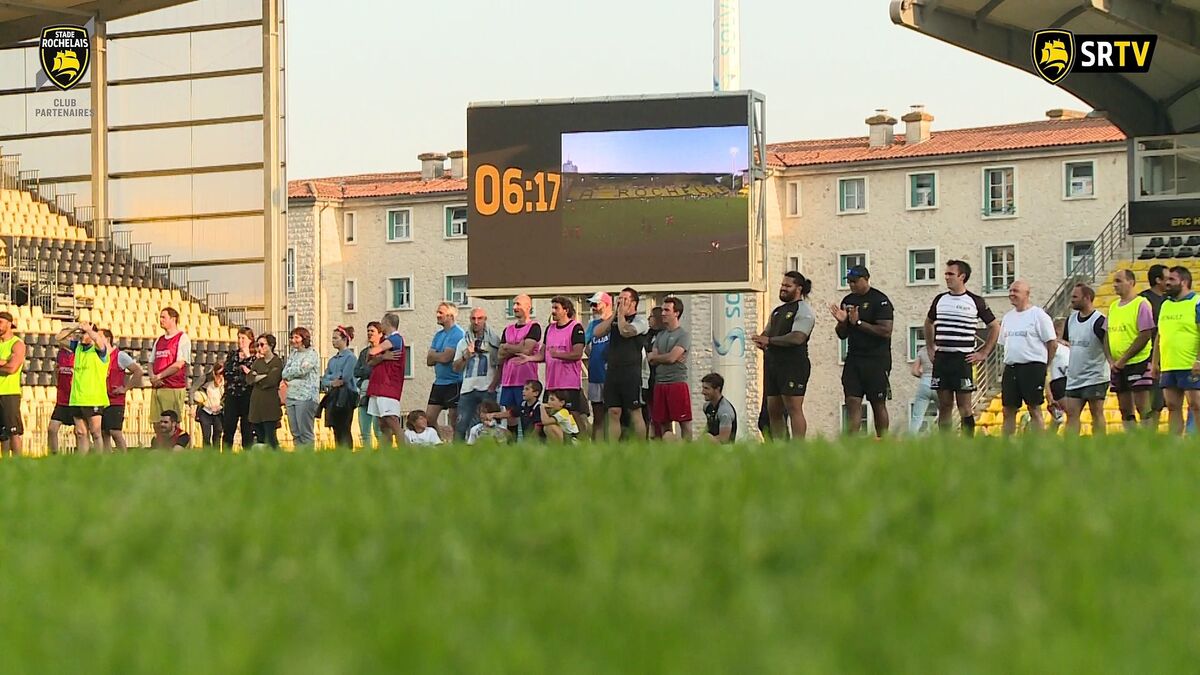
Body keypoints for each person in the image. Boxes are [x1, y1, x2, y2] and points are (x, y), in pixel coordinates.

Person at [924, 260, 999, 436]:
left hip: (962, 359)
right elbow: (928, 322)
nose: (946, 277)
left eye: (951, 274)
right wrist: (930, 347)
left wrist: (984, 352)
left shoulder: (975, 301)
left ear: (962, 277)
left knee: (964, 406)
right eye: (946, 273)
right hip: (942, 358)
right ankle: (945, 444)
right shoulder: (940, 299)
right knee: (944, 405)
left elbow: (995, 326)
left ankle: (967, 444)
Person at [830, 265, 894, 436]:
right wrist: (843, 322)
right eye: (849, 282)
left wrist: (858, 323)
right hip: (854, 358)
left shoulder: (880, 300)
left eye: (855, 281)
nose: (852, 285)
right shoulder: (848, 300)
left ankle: (882, 440)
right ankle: (852, 440)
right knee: (852, 400)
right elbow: (842, 334)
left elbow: (885, 330)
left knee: (877, 402)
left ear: (866, 279)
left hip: (876, 359)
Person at [753, 272, 816, 440]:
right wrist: (761, 340)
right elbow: (767, 333)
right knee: (773, 409)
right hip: (773, 365)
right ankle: (780, 447)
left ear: (798, 289)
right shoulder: (777, 312)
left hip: (793, 365)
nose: (783, 289)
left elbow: (798, 337)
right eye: (782, 285)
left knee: (794, 407)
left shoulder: (803, 310)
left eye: (788, 286)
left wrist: (770, 340)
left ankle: (798, 448)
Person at [521, 296, 589, 438]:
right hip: (552, 383)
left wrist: (558, 354)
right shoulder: (550, 329)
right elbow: (543, 354)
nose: (553, 311)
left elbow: (577, 354)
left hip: (569, 384)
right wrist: (529, 358)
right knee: (548, 418)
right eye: (552, 308)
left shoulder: (575, 328)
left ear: (566, 310)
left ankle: (584, 442)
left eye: (556, 308)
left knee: (575, 415)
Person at [997, 280, 1056, 435]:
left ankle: (1040, 446)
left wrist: (1044, 365)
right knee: (1008, 409)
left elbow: (1052, 343)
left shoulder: (1039, 316)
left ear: (1027, 294)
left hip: (1032, 367)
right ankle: (1007, 445)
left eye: (1015, 291)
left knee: (1034, 408)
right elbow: (1004, 344)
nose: (1011, 294)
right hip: (1011, 368)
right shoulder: (1008, 318)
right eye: (1010, 290)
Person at [593, 287, 650, 441]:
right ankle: (613, 447)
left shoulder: (641, 321)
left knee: (634, 411)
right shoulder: (615, 320)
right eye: (619, 299)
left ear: (633, 303)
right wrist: (614, 316)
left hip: (631, 372)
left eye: (624, 299)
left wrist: (621, 316)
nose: (620, 302)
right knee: (613, 411)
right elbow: (597, 332)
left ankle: (640, 446)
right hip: (613, 371)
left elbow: (626, 331)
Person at [1151, 266, 1200, 436]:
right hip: (1169, 364)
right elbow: (1159, 335)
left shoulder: (1197, 302)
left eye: (1172, 280)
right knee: (1172, 406)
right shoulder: (1165, 305)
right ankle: (1176, 445)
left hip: (1190, 364)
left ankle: (1195, 445)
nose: (1167, 283)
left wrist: (1199, 360)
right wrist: (1155, 363)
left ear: (1184, 282)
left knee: (1196, 405)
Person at [1107, 269, 1156, 430]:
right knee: (1124, 408)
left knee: (1142, 406)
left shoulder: (1141, 304)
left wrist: (1123, 359)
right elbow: (1106, 335)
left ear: (1131, 282)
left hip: (1138, 362)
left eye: (1119, 281)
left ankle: (1148, 440)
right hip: (1117, 366)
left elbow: (1145, 334)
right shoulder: (1113, 306)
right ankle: (1132, 441)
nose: (1115, 285)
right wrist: (1111, 360)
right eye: (1114, 281)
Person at [1062, 284, 1110, 436]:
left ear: (1087, 298)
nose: (1072, 300)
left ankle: (1100, 444)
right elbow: (1067, 343)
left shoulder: (1099, 321)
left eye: (1075, 297)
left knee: (1096, 413)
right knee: (1071, 414)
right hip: (1074, 377)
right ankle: (1071, 447)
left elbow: (1107, 346)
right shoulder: (1070, 320)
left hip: (1095, 376)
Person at [60, 321, 109, 454]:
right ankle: (83, 464)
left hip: (93, 398)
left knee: (95, 432)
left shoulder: (99, 351)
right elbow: (59, 338)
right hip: (77, 398)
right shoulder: (77, 348)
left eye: (84, 334)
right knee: (81, 433)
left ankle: (100, 462)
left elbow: (99, 341)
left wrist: (90, 330)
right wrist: (76, 328)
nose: (81, 336)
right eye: (80, 334)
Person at [497, 294, 542, 438]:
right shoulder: (508, 329)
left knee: (526, 414)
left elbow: (527, 350)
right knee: (511, 415)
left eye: (518, 304)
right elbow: (499, 355)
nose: (515, 307)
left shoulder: (534, 327)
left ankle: (529, 445)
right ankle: (512, 445)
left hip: (525, 379)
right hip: (508, 379)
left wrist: (507, 347)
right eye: (514, 304)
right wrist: (517, 347)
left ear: (528, 307)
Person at [648, 296, 692, 440]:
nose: (663, 313)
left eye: (667, 310)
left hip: (677, 383)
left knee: (683, 422)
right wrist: (666, 357)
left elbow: (672, 357)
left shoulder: (683, 335)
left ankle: (688, 452)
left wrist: (662, 357)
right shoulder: (660, 335)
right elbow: (651, 358)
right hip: (660, 383)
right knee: (663, 423)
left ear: (676, 313)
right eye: (662, 310)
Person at [453, 307, 500, 441]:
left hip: (487, 388)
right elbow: (455, 368)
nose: (476, 322)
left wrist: (493, 385)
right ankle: (458, 456)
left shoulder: (494, 340)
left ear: (485, 320)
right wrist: (465, 356)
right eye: (473, 318)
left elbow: (500, 365)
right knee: (461, 426)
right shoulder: (463, 342)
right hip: (467, 389)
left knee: (489, 424)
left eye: (480, 318)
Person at [366, 312, 407, 446]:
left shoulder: (395, 339)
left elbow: (372, 351)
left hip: (388, 385)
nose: (381, 325)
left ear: (388, 323)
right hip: (377, 386)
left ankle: (405, 449)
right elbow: (369, 360)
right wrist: (382, 357)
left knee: (391, 420)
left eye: (383, 323)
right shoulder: (385, 341)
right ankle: (387, 452)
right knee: (382, 423)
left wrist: (377, 354)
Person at [427, 302, 466, 437]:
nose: (437, 315)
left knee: (454, 418)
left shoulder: (458, 334)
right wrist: (439, 356)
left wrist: (436, 355)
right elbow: (429, 360)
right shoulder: (438, 335)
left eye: (441, 313)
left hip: (454, 382)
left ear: (450, 316)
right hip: (439, 382)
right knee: (429, 418)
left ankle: (458, 445)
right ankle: (440, 443)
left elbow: (446, 357)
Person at [100, 328, 143, 451]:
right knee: (104, 433)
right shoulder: (98, 356)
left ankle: (124, 457)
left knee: (115, 432)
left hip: (115, 401)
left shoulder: (120, 356)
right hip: (102, 398)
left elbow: (138, 371)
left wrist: (125, 388)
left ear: (107, 339)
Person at [149, 307, 191, 424]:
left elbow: (179, 363)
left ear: (173, 319)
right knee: (156, 423)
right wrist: (153, 377)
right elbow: (151, 362)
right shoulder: (159, 339)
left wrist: (159, 376)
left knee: (171, 424)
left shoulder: (182, 338)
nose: (160, 320)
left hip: (173, 387)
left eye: (164, 317)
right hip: (157, 387)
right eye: (160, 317)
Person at [282, 326, 321, 447]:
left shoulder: (312, 354)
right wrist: (293, 373)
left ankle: (309, 460)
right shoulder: (293, 354)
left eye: (296, 337)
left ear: (304, 339)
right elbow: (284, 373)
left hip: (306, 397)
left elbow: (302, 370)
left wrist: (292, 372)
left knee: (305, 432)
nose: (293, 340)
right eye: (292, 337)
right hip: (291, 396)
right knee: (295, 433)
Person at [321, 325, 359, 449]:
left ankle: (348, 453)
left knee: (344, 427)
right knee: (335, 427)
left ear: (344, 339)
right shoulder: (332, 360)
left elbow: (346, 377)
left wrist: (332, 378)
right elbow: (324, 379)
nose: (333, 341)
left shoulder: (350, 358)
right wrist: (333, 381)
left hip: (346, 396)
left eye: (336, 338)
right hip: (333, 396)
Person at [1140, 263, 1169, 423]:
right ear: (1158, 280)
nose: (1170, 282)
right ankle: (1150, 437)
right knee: (1153, 404)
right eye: (1167, 278)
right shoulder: (1144, 300)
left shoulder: (1169, 300)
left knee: (1168, 402)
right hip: (1149, 359)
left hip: (1168, 358)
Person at [222, 327, 257, 449]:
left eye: (243, 338)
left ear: (250, 340)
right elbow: (227, 371)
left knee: (246, 429)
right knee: (228, 427)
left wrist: (247, 357)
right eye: (239, 338)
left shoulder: (255, 356)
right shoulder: (233, 354)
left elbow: (254, 375)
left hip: (247, 395)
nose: (240, 341)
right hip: (232, 394)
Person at [247, 333, 283, 449]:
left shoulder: (277, 361)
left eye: (262, 345)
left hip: (270, 405)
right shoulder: (258, 362)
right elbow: (249, 378)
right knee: (259, 438)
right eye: (258, 345)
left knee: (271, 437)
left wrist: (258, 377)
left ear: (271, 345)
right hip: (257, 405)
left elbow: (272, 380)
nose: (259, 348)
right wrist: (262, 376)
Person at [585, 292, 613, 439]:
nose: (593, 308)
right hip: (595, 375)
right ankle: (596, 447)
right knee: (598, 416)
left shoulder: (615, 323)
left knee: (613, 416)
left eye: (596, 304)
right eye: (591, 305)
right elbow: (584, 345)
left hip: (611, 376)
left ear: (607, 304)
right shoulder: (592, 325)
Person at [354, 321, 385, 448]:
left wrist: (367, 370)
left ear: (380, 334)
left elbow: (380, 372)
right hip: (364, 393)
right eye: (368, 331)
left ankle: (383, 454)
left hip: (378, 392)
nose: (369, 334)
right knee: (364, 430)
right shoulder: (364, 353)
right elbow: (357, 371)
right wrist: (369, 369)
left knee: (378, 430)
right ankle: (366, 455)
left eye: (372, 331)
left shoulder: (384, 351)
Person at [0, 311, 25, 456]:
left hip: (10, 393)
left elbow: (12, 368)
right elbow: (7, 365)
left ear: (9, 324)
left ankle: (18, 463)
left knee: (13, 431)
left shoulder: (17, 344)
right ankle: (5, 466)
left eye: (0, 322)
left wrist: (7, 363)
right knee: (2, 434)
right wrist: (4, 362)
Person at [48, 334, 74, 455]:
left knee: (80, 431)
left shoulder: (78, 353)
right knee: (52, 429)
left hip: (75, 398)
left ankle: (84, 458)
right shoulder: (60, 354)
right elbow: (57, 370)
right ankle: (54, 455)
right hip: (62, 399)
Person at [189, 360, 224, 448]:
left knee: (218, 435)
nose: (220, 375)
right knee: (206, 436)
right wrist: (192, 405)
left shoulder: (226, 381)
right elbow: (192, 390)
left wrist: (222, 405)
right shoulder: (205, 378)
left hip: (219, 412)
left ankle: (216, 458)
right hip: (206, 411)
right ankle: (207, 456)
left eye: (223, 373)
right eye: (218, 373)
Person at [641, 306, 664, 436]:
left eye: (652, 316)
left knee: (658, 412)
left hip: (658, 377)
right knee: (646, 410)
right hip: (646, 377)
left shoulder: (663, 335)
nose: (649, 319)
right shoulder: (647, 335)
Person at [1047, 321, 1071, 430]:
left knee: (1060, 417)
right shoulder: (1051, 347)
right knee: (1071, 413)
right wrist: (1049, 393)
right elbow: (1045, 369)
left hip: (1070, 380)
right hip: (1058, 382)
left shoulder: (1067, 347)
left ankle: (1049, 441)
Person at [700, 372, 737, 443]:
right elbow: (709, 428)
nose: (703, 392)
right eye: (703, 388)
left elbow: (724, 439)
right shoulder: (707, 406)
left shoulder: (725, 411)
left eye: (706, 388)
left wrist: (706, 439)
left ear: (717, 389)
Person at [908, 346, 935, 435]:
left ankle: (911, 441)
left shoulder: (923, 350)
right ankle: (944, 438)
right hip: (939, 385)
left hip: (924, 384)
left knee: (917, 417)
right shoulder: (942, 349)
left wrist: (924, 376)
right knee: (944, 413)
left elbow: (914, 371)